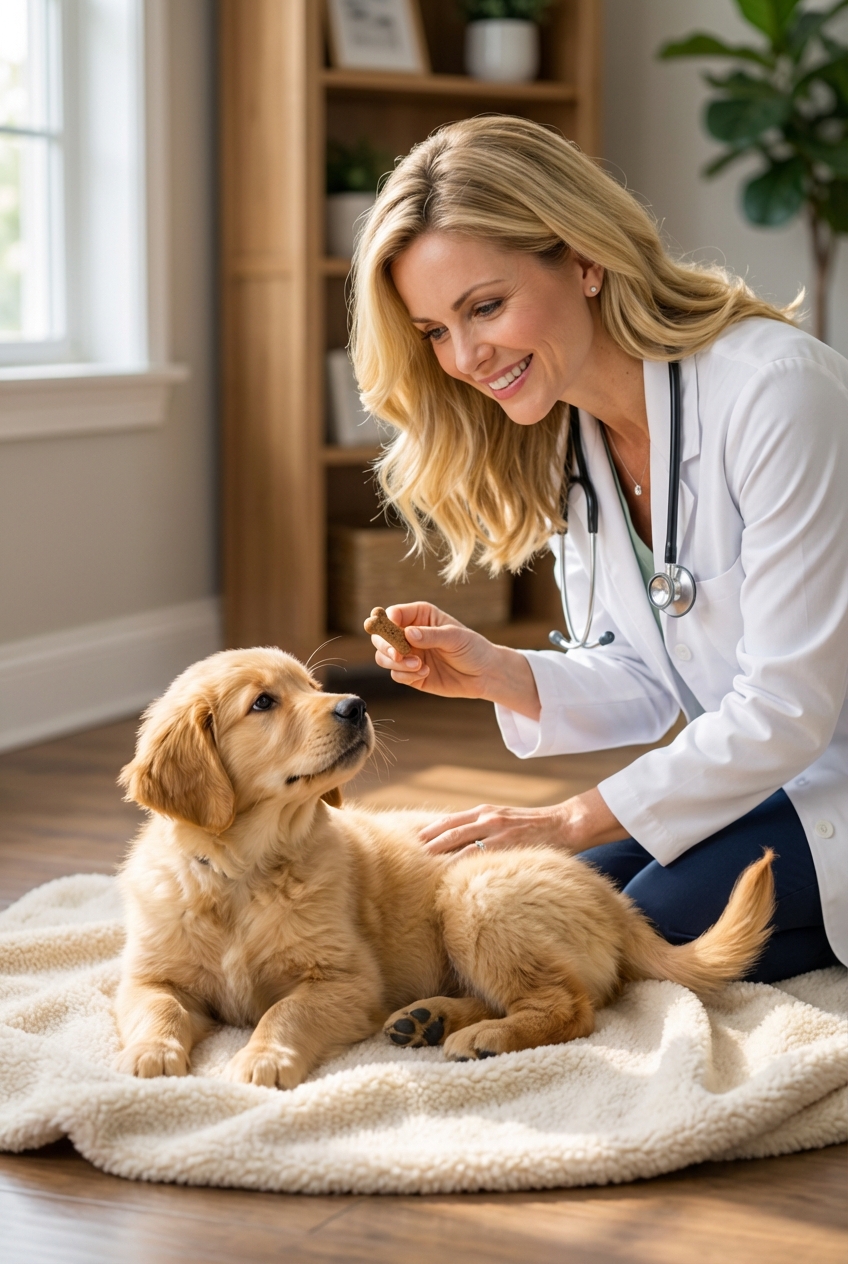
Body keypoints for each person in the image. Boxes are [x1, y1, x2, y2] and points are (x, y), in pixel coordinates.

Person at [349, 115, 848, 984]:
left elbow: (789, 705)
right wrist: (498, 670)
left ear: (584, 259)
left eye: (486, 306)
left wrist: (574, 816)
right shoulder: (579, 439)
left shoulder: (777, 392)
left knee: (625, 926)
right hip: (772, 772)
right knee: (539, 905)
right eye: (434, 331)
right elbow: (652, 682)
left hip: (823, 765)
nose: (465, 357)